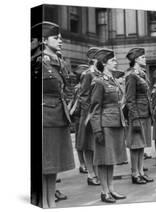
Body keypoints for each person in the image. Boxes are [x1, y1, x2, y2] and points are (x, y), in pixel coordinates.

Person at [33, 21, 75, 208]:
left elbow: (67, 89)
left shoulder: (59, 61)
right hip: (45, 118)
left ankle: (51, 203)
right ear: (43, 40)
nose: (60, 40)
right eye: (55, 38)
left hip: (59, 116)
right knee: (45, 165)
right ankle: (44, 202)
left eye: (60, 37)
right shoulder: (38, 61)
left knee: (53, 166)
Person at [86, 48, 127, 203]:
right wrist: (97, 130)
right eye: (112, 60)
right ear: (104, 63)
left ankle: (111, 189)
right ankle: (104, 192)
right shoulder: (98, 81)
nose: (116, 62)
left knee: (111, 159)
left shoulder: (112, 80)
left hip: (115, 123)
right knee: (104, 160)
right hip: (105, 125)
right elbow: (95, 108)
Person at [125, 48, 154, 184]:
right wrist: (134, 117)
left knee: (141, 145)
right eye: (142, 57)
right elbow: (130, 99)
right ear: (135, 59)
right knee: (135, 145)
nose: (145, 59)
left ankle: (141, 171)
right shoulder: (131, 75)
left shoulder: (141, 74)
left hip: (144, 113)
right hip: (137, 114)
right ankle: (134, 173)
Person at [75, 47, 101, 185]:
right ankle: (91, 174)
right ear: (94, 59)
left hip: (99, 114)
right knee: (88, 146)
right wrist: (89, 115)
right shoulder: (88, 74)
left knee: (96, 145)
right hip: (90, 115)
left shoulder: (100, 73)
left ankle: (96, 172)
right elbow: (83, 96)